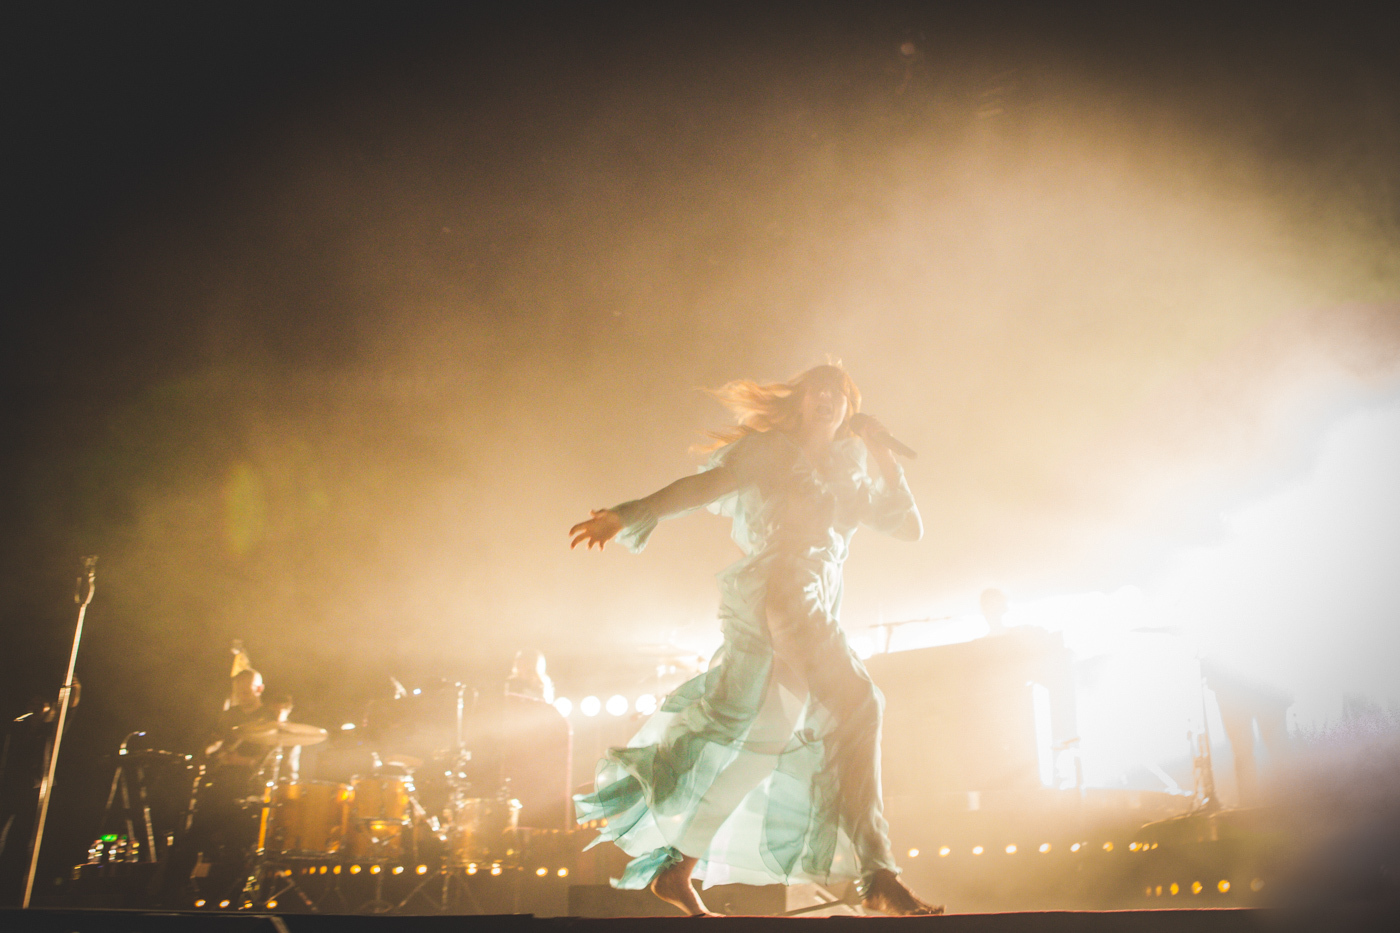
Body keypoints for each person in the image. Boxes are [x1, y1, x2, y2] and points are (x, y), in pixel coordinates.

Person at [569, 363, 940, 916]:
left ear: (849, 409)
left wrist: (881, 452)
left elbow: (908, 526)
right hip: (783, 592)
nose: (827, 397)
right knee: (861, 703)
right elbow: (705, 486)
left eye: (838, 392)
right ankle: (879, 874)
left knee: (762, 745)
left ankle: (677, 869)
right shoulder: (772, 451)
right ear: (800, 401)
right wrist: (632, 513)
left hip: (815, 602)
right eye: (817, 388)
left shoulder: (848, 469)